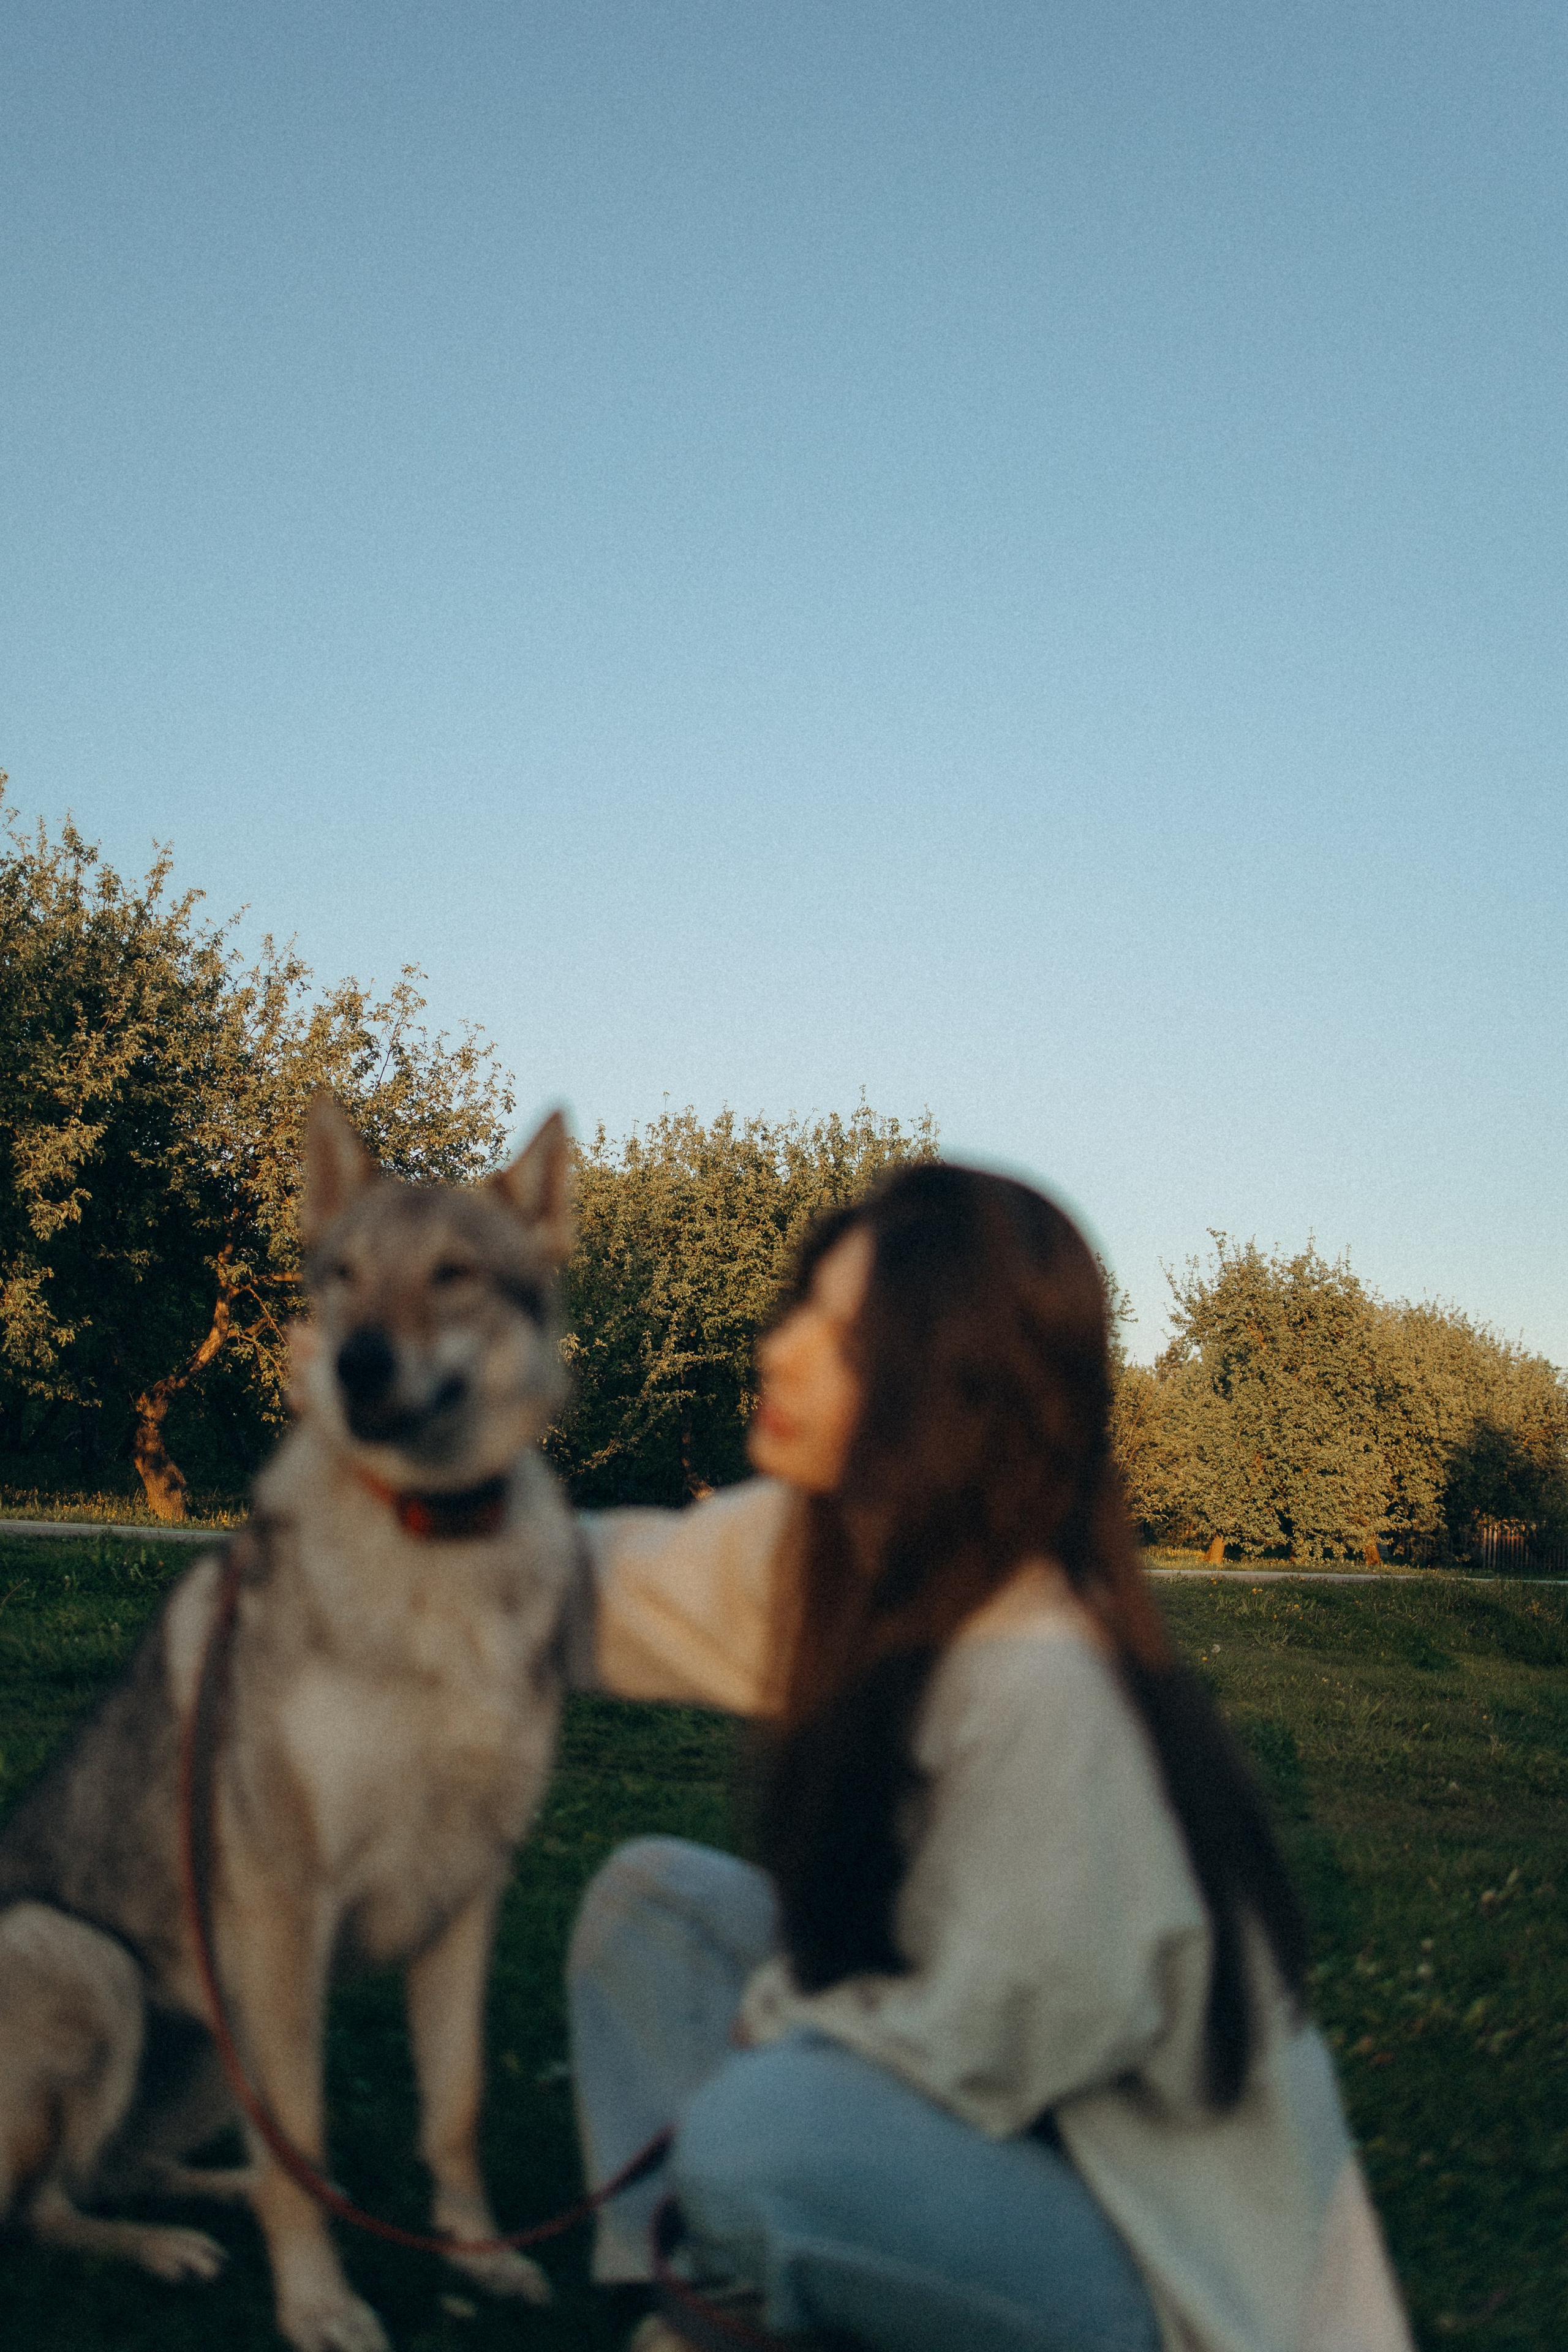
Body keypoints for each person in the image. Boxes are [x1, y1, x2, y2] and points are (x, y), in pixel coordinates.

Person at [562, 1163, 1414, 2352]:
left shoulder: (1045, 1679)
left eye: (848, 1337)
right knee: (652, 1907)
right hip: (986, 2124)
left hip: (1156, 2267)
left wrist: (781, 2013)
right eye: (802, 1304)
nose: (783, 1349)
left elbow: (993, 2041)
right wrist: (371, 1524)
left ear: (957, 1390)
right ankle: (699, 2304)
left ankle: (753, 2265)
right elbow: (579, 1589)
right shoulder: (828, 1552)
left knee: (757, 2134)